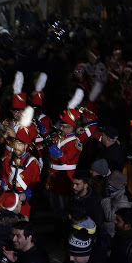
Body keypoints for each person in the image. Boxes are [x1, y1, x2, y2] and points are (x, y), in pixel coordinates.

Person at [47, 89, 84, 230]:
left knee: (63, 207)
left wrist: (53, 150)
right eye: (61, 125)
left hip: (65, 178)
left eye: (64, 126)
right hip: (54, 176)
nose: (60, 128)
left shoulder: (75, 142)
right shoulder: (57, 137)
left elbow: (65, 159)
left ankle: (63, 230)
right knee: (54, 205)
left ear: (71, 128)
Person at [0, 106, 40, 218]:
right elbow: (5, 177)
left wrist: (26, 195)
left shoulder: (32, 163)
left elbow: (36, 185)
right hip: (8, 197)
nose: (16, 147)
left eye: (20, 144)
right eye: (15, 143)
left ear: (26, 145)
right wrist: (1, 182)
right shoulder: (7, 159)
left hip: (22, 201)